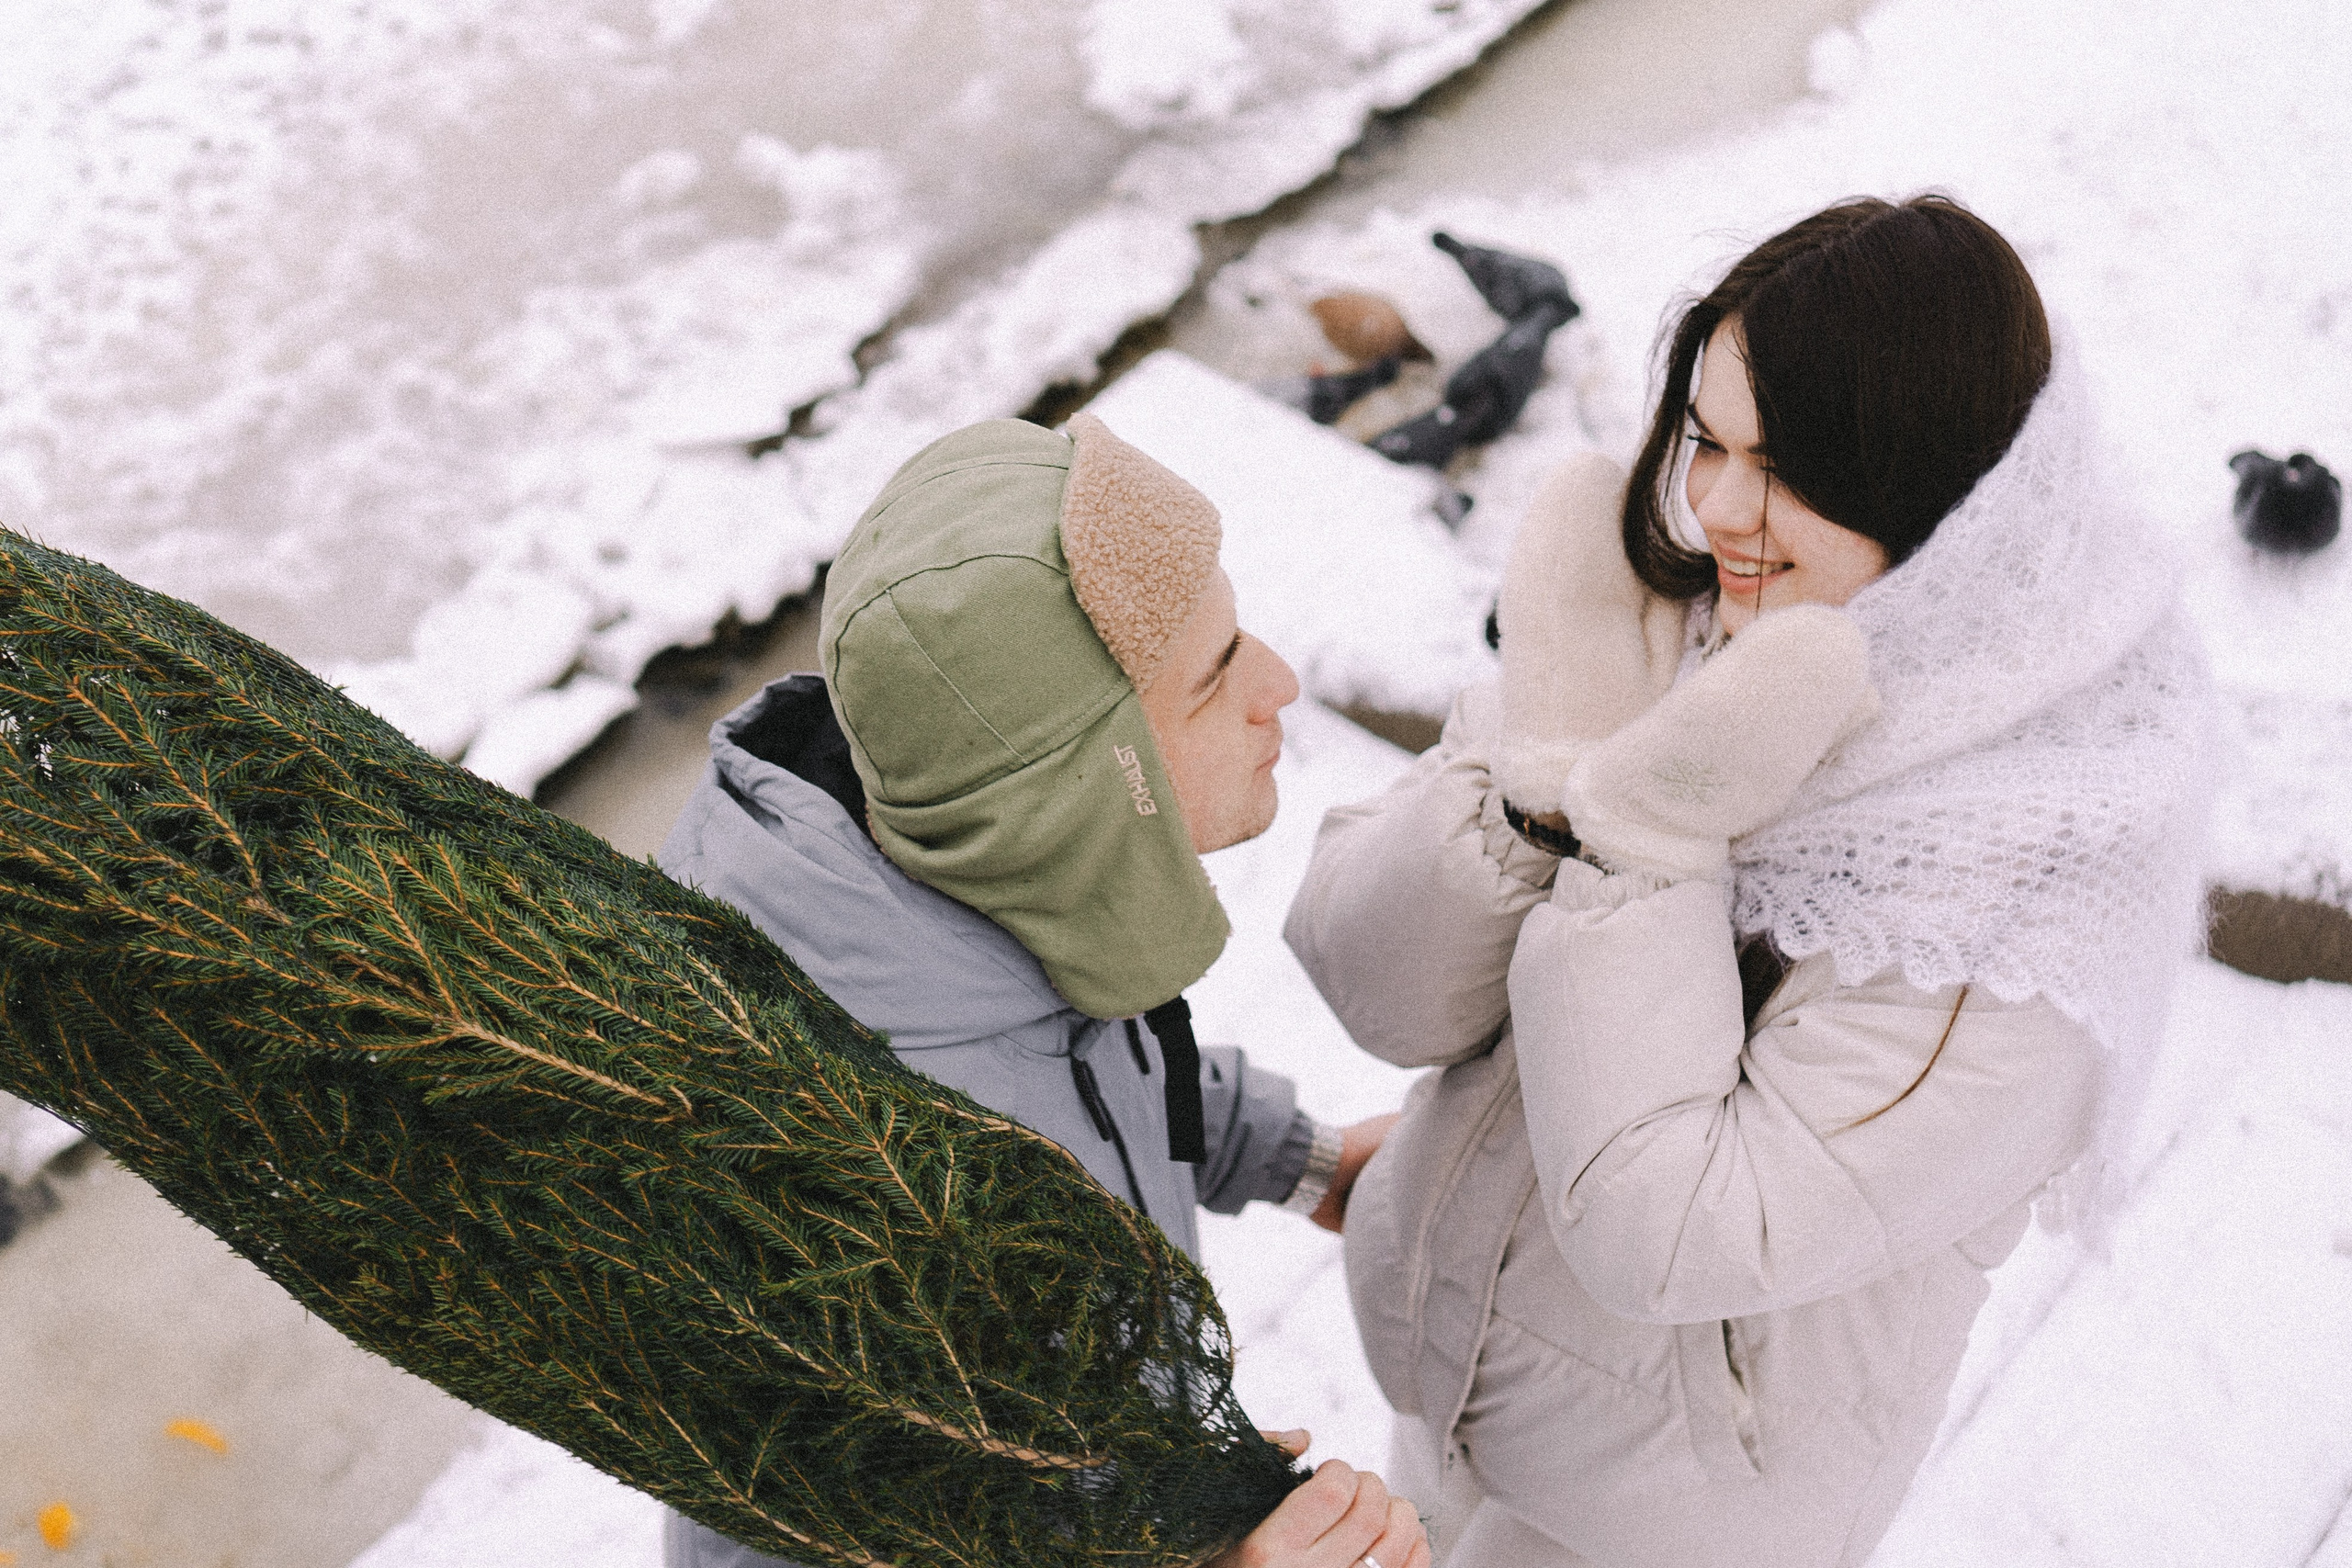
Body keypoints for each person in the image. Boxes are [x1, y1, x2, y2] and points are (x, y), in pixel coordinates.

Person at [1283, 196, 2211, 1567]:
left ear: (1932, 489)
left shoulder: (2016, 889)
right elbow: (1370, 983)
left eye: (1780, 465)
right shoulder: (1694, 617)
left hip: (1668, 1517)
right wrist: (1542, 782)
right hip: (1461, 1372)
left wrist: (1642, 843)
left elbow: (1677, 1229)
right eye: (1705, 440)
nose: (1714, 506)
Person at [656, 412, 1426, 1568]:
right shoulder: (832, 1169)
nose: (1280, 683)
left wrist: (1299, 1159)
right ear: (1083, 789)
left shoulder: (961, 877)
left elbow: (1085, 1067)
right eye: (1215, 678)